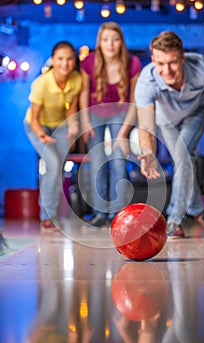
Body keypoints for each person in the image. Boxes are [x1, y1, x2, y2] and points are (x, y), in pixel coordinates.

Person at [134, 30, 204, 238]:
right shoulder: (146, 83)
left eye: (173, 62)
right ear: (153, 60)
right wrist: (148, 153)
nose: (167, 70)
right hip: (166, 120)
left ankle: (173, 218)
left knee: (183, 155)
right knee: (182, 159)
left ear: (182, 57)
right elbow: (146, 127)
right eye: (160, 64)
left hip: (197, 110)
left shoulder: (202, 66)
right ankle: (197, 210)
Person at [79, 22, 142, 227]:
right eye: (105, 39)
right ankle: (99, 213)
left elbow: (134, 101)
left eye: (115, 39)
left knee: (118, 162)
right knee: (97, 163)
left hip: (120, 114)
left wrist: (123, 133)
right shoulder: (89, 61)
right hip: (94, 114)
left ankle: (118, 212)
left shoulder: (132, 64)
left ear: (121, 42)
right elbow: (83, 92)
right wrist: (86, 122)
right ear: (100, 42)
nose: (110, 44)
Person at [24, 41, 82, 233]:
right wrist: (41, 135)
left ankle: (51, 216)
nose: (65, 63)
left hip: (60, 126)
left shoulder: (76, 79)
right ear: (53, 60)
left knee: (57, 170)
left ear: (74, 61)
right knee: (54, 164)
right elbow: (34, 118)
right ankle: (47, 217)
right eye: (60, 59)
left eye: (69, 59)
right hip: (36, 126)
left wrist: (73, 128)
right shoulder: (41, 83)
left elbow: (71, 109)